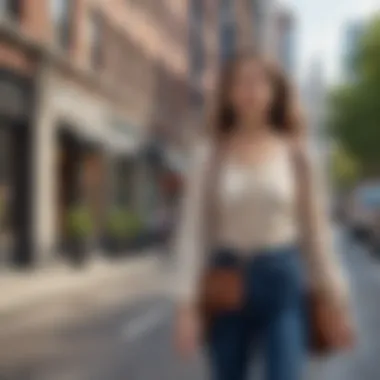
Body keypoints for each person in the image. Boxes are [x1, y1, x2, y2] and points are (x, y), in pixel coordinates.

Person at [173, 51, 353, 380]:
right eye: (241, 82)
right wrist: (187, 306)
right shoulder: (209, 156)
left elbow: (317, 235)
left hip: (282, 280)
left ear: (274, 92)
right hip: (225, 280)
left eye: (259, 82)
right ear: (228, 92)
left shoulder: (298, 156)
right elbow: (193, 233)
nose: (250, 91)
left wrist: (335, 298)